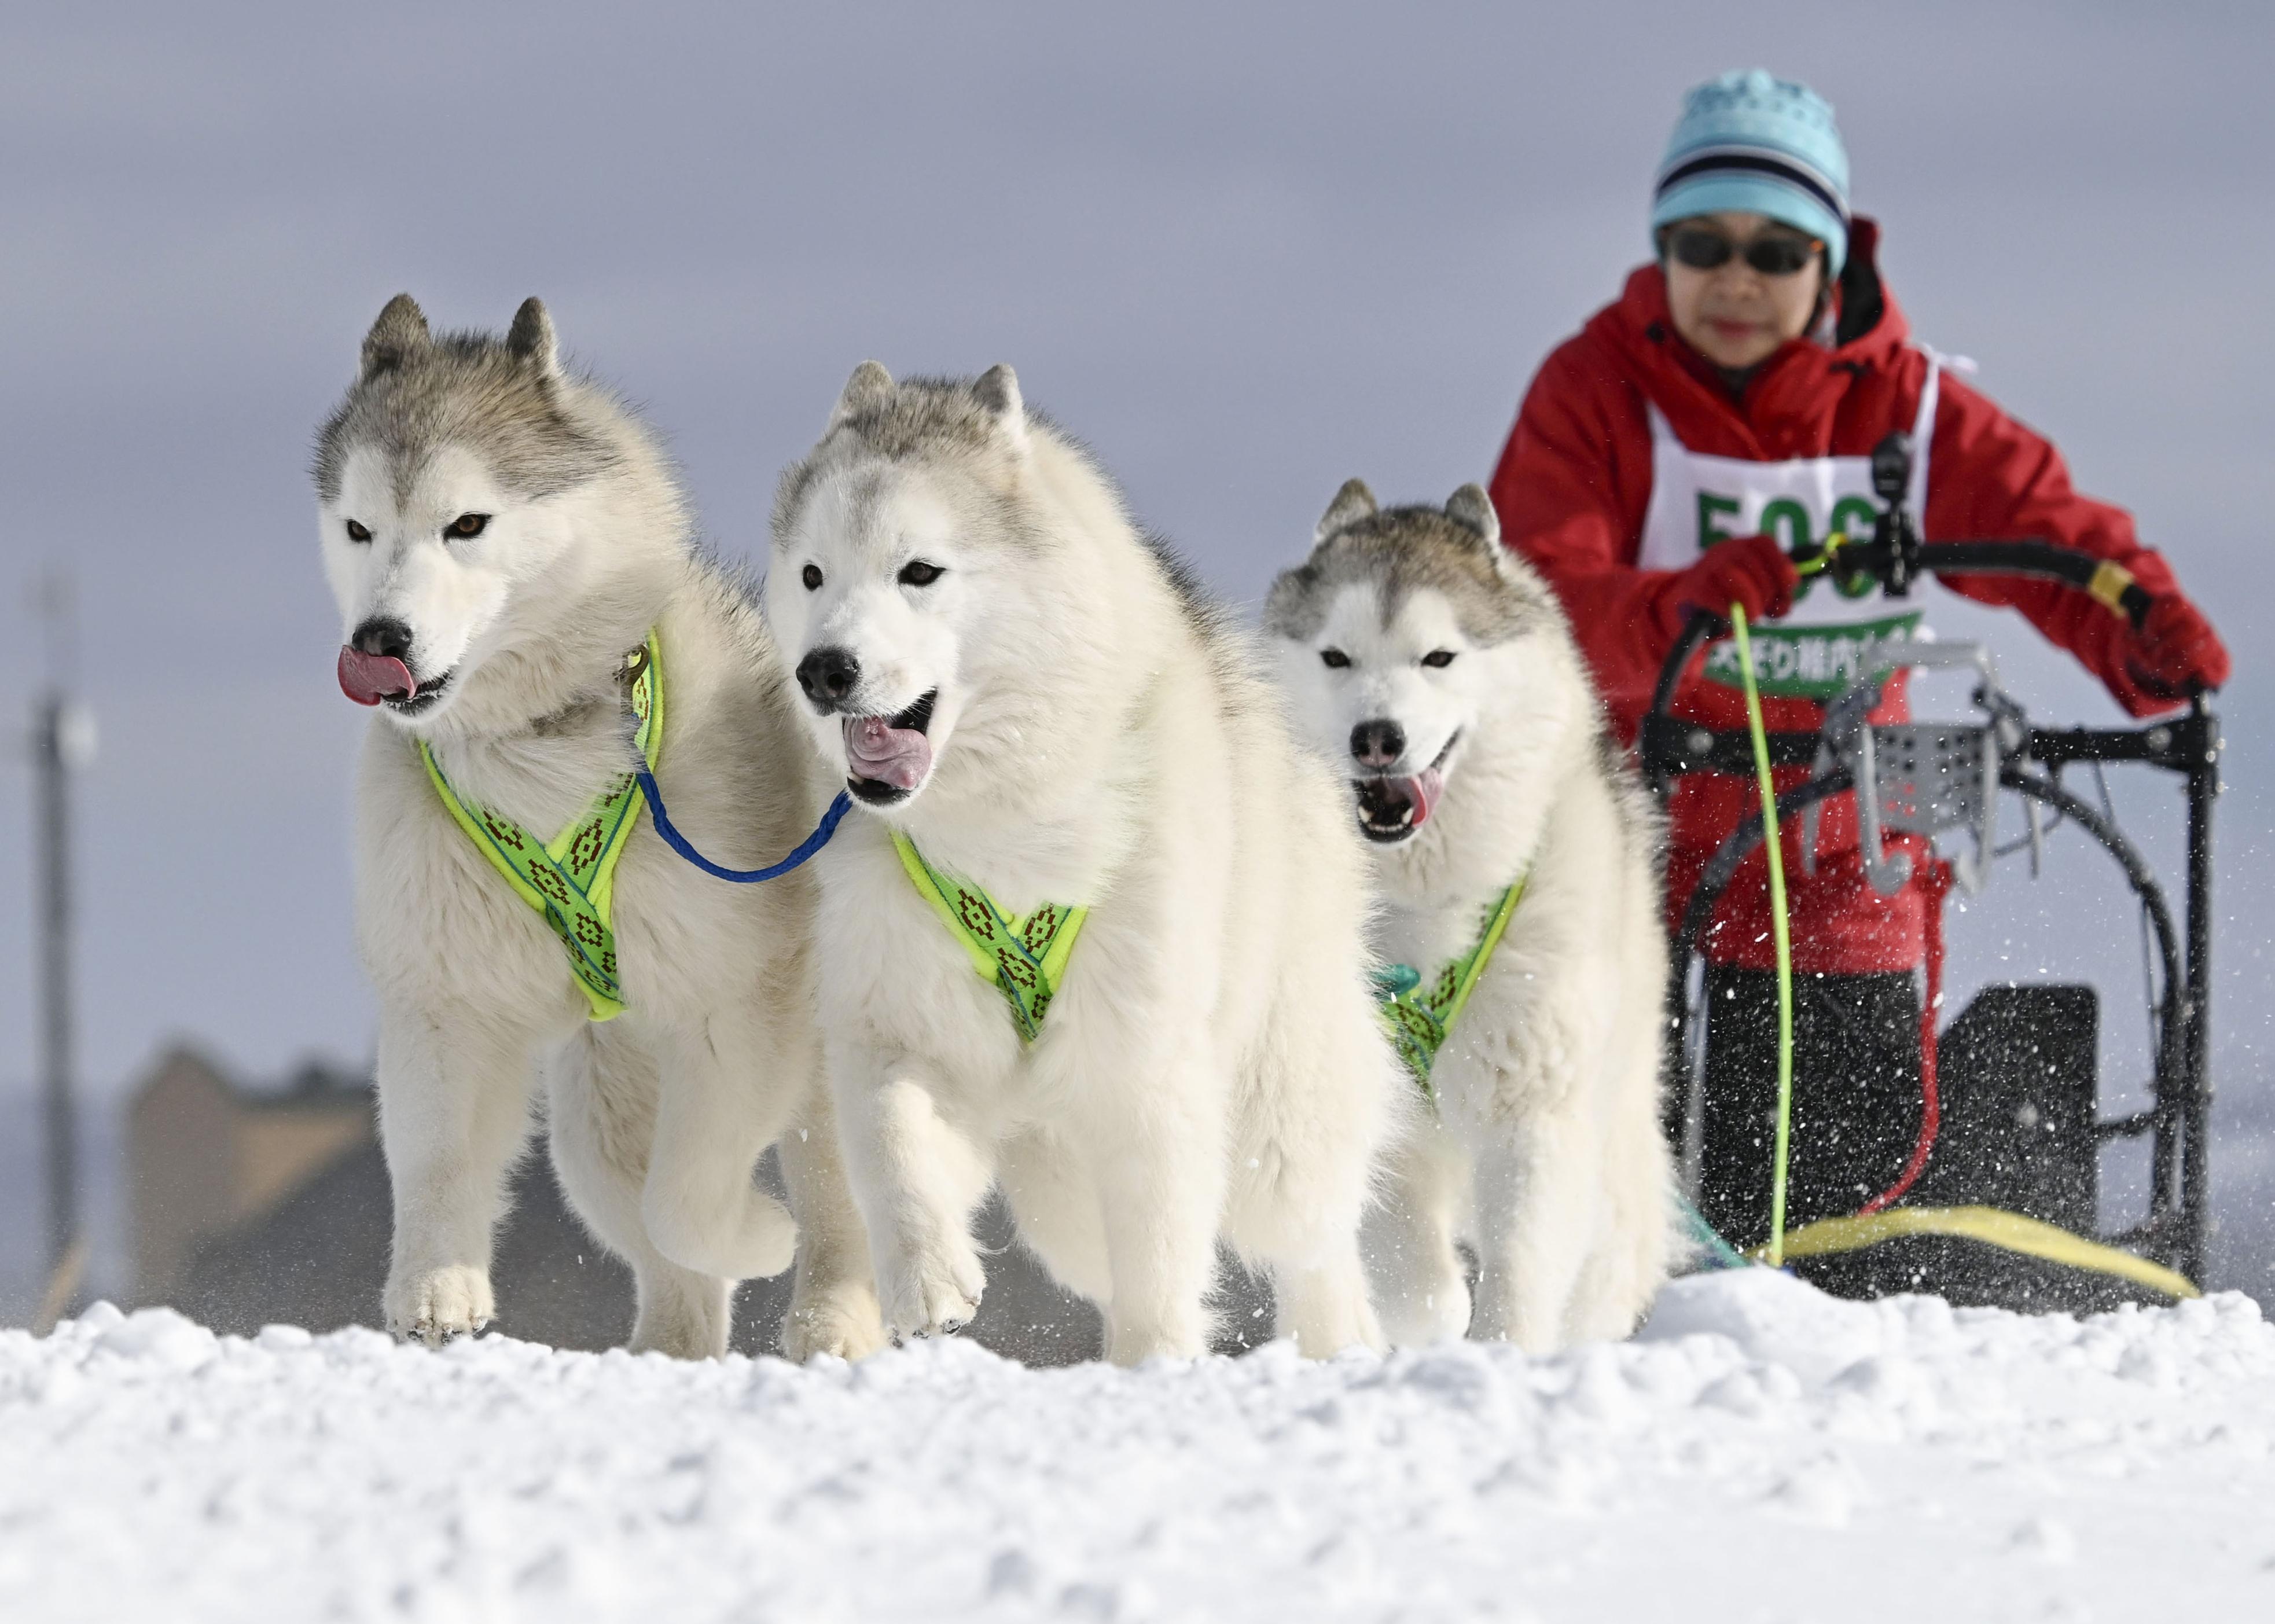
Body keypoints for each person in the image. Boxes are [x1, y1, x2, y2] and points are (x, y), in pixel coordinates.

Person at [1487, 69, 2229, 1256]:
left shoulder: (1902, 406)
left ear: (1827, 262)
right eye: (1702, 243)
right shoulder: (1596, 393)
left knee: (1839, 1181)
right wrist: (1672, 607)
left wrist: (2136, 625)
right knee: (1614, 1153)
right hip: (1641, 825)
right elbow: (1531, 607)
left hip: (1848, 836)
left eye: (1775, 250)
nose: (1736, 278)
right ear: (1661, 248)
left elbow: (2046, 535)